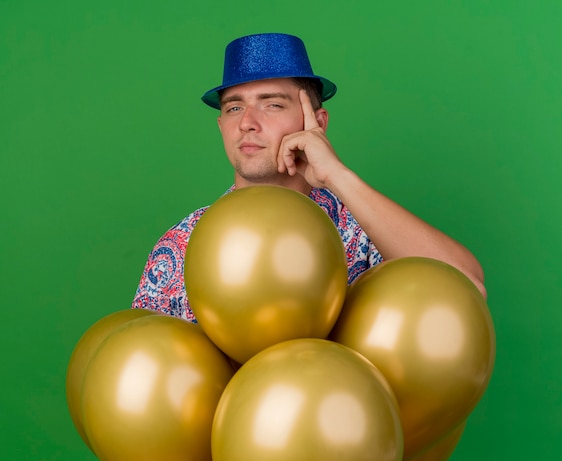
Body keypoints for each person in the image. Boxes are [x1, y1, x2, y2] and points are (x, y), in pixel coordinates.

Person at [132, 32, 487, 322]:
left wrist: (336, 175)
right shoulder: (182, 246)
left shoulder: (362, 230)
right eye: (234, 107)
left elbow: (466, 286)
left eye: (272, 104)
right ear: (221, 125)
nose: (247, 122)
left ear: (318, 122)